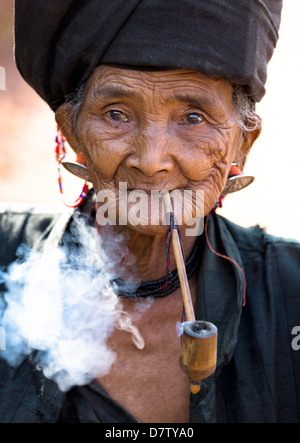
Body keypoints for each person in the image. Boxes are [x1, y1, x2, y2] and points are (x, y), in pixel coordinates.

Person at [0, 0, 300, 423]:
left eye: (193, 118)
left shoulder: (292, 292)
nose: (152, 159)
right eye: (116, 114)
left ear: (243, 143)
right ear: (72, 132)